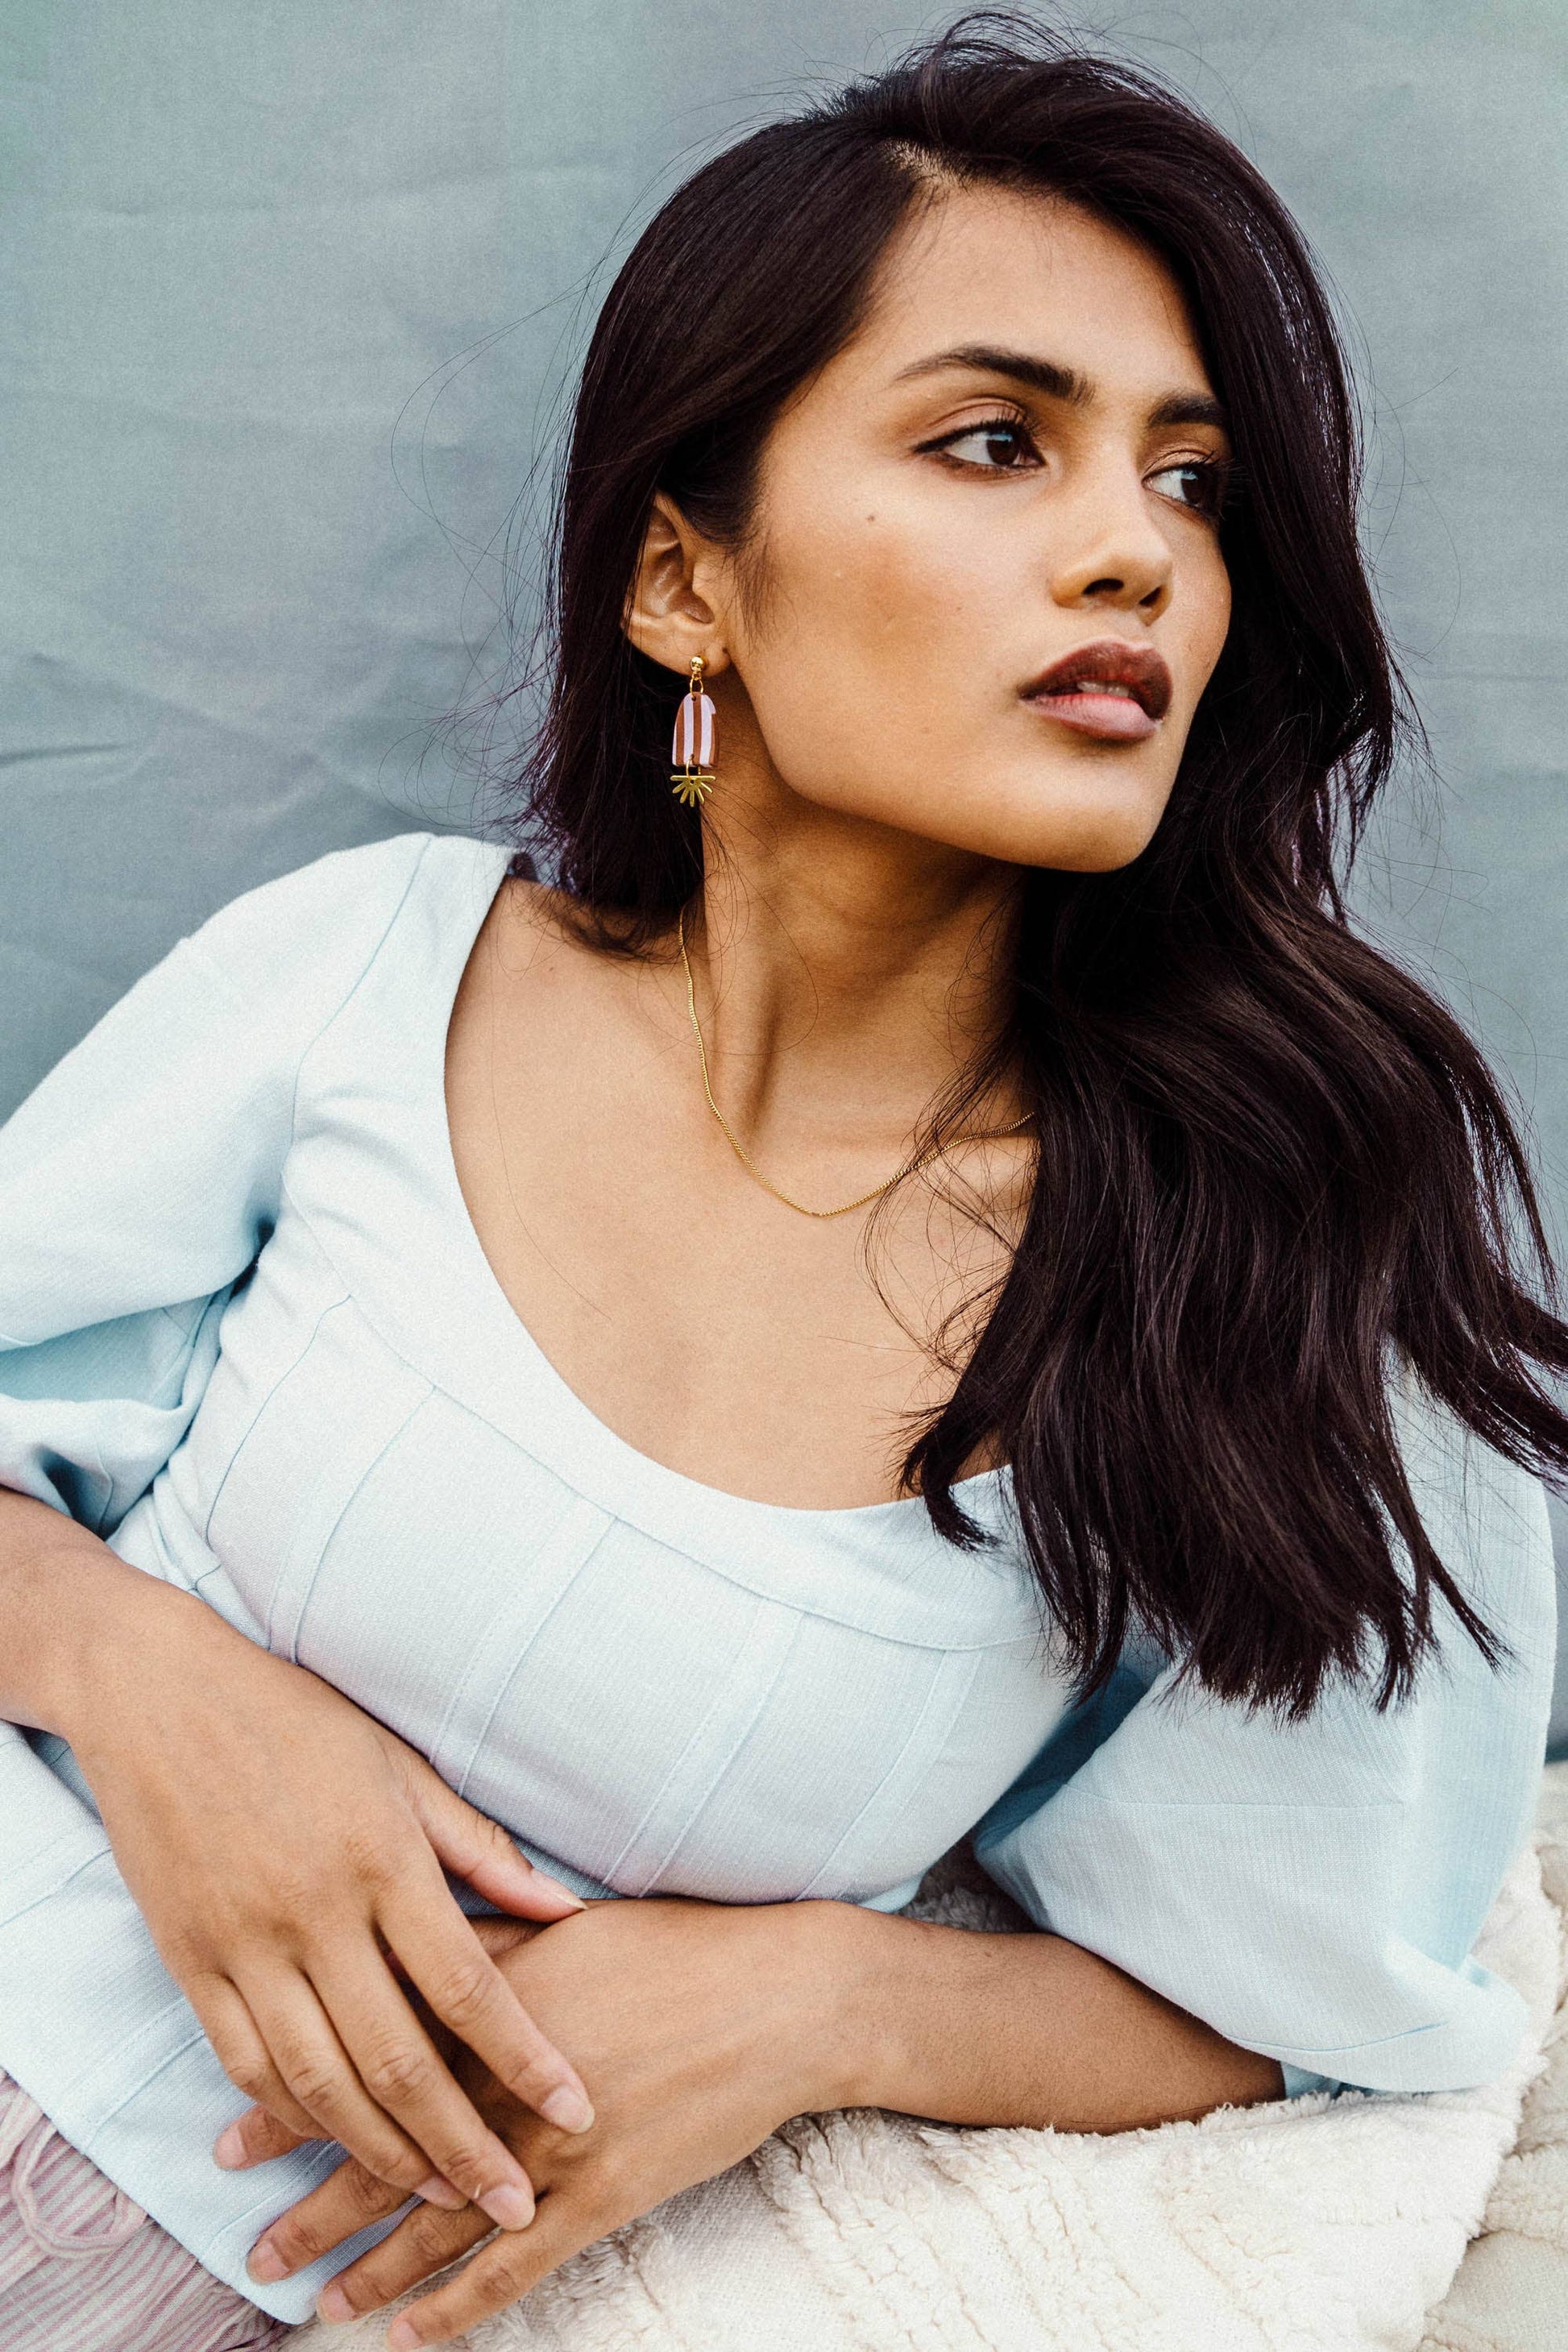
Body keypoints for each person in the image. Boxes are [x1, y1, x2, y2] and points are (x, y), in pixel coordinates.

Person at [0, 18, 1562, 2351]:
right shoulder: (367, 973)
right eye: (990, 441)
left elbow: (1320, 1990)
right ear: (680, 589)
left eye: (1193, 483)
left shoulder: (1261, 1255)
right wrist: (152, 1686)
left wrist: (835, 2002)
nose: (1132, 545)